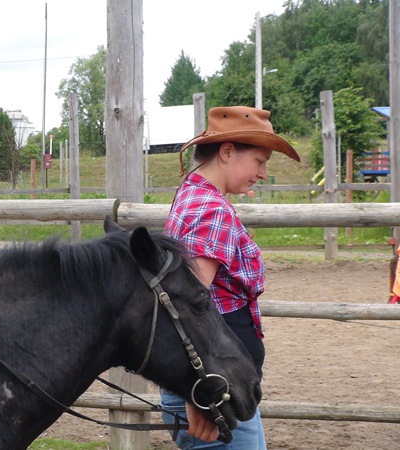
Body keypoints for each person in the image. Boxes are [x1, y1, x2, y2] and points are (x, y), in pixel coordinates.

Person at [161, 106, 300, 449]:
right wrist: (200, 397)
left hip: (218, 387)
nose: (263, 173)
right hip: (215, 392)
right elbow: (188, 305)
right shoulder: (212, 209)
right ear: (226, 152)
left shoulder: (191, 194)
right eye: (259, 161)